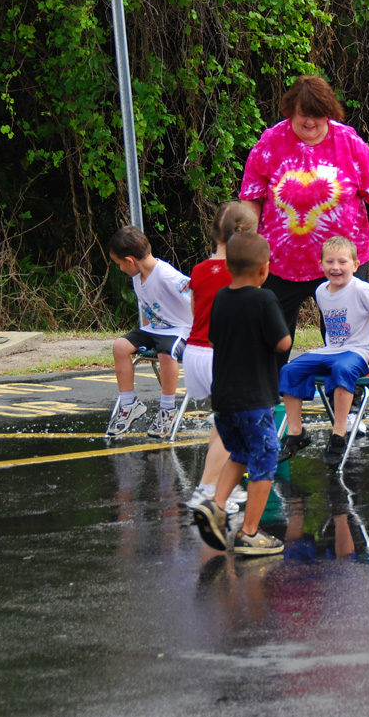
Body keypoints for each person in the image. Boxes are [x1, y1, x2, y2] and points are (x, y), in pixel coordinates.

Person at [239, 74, 369, 379]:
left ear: (329, 113)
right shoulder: (271, 141)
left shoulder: (348, 140)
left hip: (340, 260)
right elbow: (252, 195)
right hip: (281, 262)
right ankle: (269, 405)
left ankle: (346, 409)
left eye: (317, 118)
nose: (310, 124)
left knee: (344, 339)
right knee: (273, 337)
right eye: (303, 117)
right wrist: (249, 240)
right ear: (290, 112)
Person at [192, 231, 293, 556]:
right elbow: (283, 342)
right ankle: (249, 533)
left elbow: (212, 340)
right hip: (255, 398)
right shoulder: (264, 299)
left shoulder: (221, 297)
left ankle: (216, 506)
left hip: (223, 398)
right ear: (264, 269)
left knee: (238, 453)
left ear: (229, 268)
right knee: (264, 461)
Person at [277, 236, 369, 468]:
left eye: (343, 262)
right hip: (332, 350)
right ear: (321, 265)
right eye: (330, 262)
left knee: (341, 369)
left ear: (355, 265)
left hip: (360, 352)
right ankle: (296, 434)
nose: (336, 267)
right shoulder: (321, 291)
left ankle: (339, 434)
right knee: (290, 369)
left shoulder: (362, 290)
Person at [183, 201, 258, 515]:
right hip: (221, 356)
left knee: (223, 420)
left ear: (214, 232)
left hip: (194, 353)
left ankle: (223, 485)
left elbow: (194, 310)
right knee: (233, 428)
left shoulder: (199, 270)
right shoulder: (240, 272)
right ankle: (208, 490)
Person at [104, 225, 192, 438]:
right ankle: (129, 405)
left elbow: (196, 298)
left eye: (119, 264)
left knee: (165, 350)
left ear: (130, 261)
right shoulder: (137, 276)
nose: (120, 269)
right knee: (120, 346)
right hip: (156, 329)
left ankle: (168, 409)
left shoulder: (167, 276)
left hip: (181, 329)